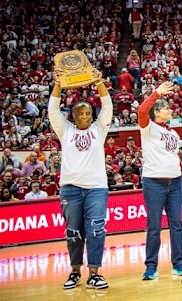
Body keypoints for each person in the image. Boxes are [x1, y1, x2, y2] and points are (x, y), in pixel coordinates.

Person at [49, 75, 112, 289]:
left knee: (96, 229)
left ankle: (94, 273)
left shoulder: (99, 129)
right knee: (73, 231)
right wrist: (58, 84)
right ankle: (75, 271)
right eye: (80, 113)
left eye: (87, 113)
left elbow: (108, 106)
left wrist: (99, 82)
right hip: (70, 189)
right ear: (73, 116)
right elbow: (52, 110)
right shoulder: (65, 130)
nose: (84, 116)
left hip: (96, 188)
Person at [137, 81, 182, 279]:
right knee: (154, 226)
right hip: (154, 183)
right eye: (166, 108)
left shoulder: (173, 133)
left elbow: (175, 158)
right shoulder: (148, 128)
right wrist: (156, 93)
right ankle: (151, 266)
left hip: (175, 183)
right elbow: (142, 111)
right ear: (157, 112)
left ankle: (178, 264)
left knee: (176, 223)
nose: (170, 110)